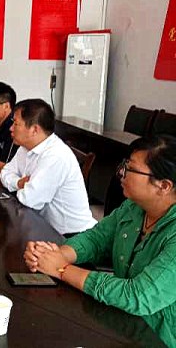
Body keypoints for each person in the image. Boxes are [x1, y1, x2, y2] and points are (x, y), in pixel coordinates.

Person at [23, 135, 176, 347]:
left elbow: (138, 296)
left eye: (131, 169)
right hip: (122, 323)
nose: (121, 172)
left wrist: (62, 269)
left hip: (159, 337)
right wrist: (56, 254)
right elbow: (97, 239)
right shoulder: (134, 207)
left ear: (164, 185)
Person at [0, 98, 96, 235]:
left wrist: (19, 188)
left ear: (34, 129)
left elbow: (30, 200)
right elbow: (5, 172)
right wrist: (19, 183)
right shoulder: (25, 147)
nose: (11, 128)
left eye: (15, 124)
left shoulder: (55, 155)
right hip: (41, 224)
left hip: (71, 235)